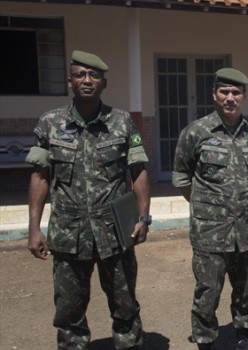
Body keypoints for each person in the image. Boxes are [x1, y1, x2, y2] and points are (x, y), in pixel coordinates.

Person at [26, 50, 151, 350]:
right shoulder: (50, 123)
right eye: (80, 74)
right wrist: (33, 227)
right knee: (69, 312)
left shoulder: (122, 122)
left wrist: (143, 217)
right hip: (69, 234)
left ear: (104, 82)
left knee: (125, 307)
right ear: (70, 80)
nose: (87, 80)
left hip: (115, 233)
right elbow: (40, 177)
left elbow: (139, 171)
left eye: (94, 75)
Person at [173, 68, 248, 350]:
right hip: (210, 233)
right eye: (224, 92)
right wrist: (209, 207)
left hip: (247, 231)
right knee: (207, 293)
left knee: (247, 290)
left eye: (236, 93)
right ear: (214, 95)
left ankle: (244, 336)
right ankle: (205, 341)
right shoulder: (196, 132)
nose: (230, 98)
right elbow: (181, 178)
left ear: (244, 96)